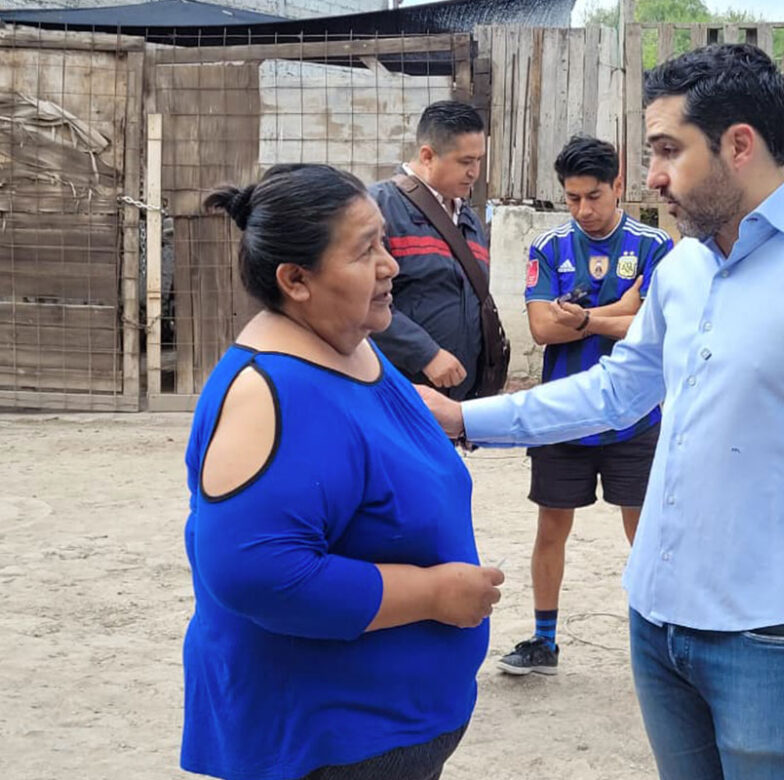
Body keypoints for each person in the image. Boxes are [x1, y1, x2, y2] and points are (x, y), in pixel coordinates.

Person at [418, 44, 784, 779]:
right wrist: (468, 420)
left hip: (774, 635)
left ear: (740, 146)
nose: (651, 176)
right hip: (657, 619)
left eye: (666, 150)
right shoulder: (684, 269)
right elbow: (617, 391)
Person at [182, 163, 504, 780]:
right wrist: (435, 594)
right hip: (326, 740)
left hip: (385, 726)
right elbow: (256, 573)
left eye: (383, 241)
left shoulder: (349, 342)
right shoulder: (272, 393)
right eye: (366, 252)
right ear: (296, 280)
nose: (391, 266)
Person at [497, 135, 673, 676]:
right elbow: (542, 329)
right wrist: (619, 313)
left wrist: (588, 319)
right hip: (563, 416)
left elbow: (658, 329)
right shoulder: (548, 247)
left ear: (619, 186)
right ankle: (544, 641)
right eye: (572, 198)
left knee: (644, 533)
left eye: (594, 196)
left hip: (635, 416)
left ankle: (662, 646)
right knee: (552, 527)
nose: (583, 210)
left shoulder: (655, 247)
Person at [369, 100, 498, 400]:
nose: (475, 173)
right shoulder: (378, 208)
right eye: (465, 161)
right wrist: (424, 353)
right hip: (397, 392)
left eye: (479, 160)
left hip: (453, 403)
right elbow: (359, 301)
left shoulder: (469, 219)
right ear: (427, 155)